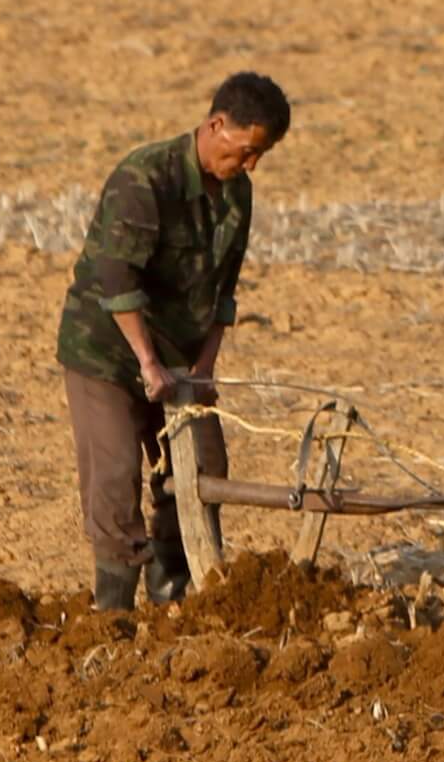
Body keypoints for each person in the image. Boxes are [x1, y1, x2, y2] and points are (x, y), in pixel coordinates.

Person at [55, 72, 290, 610]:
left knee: (203, 467)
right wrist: (147, 363)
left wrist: (202, 369)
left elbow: (223, 294)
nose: (251, 165)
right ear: (216, 126)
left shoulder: (238, 197)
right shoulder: (144, 179)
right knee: (115, 478)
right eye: (247, 151)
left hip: (178, 355)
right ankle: (112, 614)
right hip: (109, 353)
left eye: (262, 155)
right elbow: (118, 283)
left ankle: (174, 597)